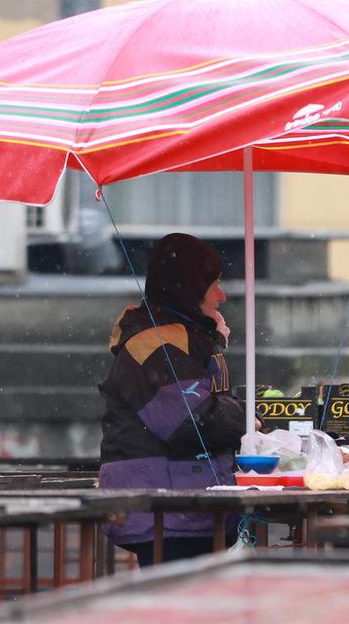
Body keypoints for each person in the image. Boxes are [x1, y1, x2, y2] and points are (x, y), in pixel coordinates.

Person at [98, 232, 246, 567]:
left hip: (177, 498)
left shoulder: (180, 338)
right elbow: (189, 420)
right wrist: (248, 417)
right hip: (164, 504)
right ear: (190, 287)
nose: (221, 296)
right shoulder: (156, 343)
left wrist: (211, 340)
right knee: (180, 607)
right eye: (215, 284)